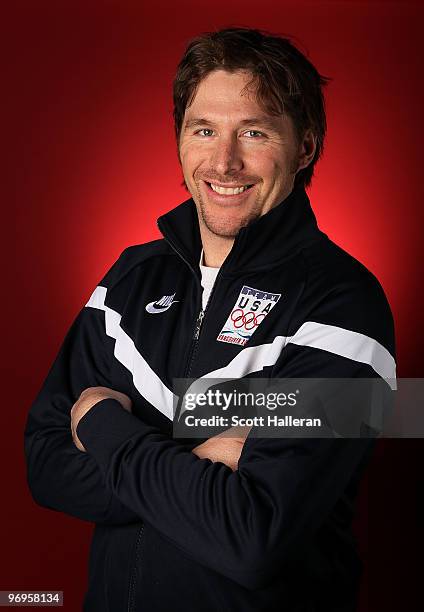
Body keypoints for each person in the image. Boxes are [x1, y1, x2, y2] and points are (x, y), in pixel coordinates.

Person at [24, 27, 396, 611]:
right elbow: (43, 464)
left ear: (305, 147)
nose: (224, 161)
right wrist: (201, 457)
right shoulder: (128, 280)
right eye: (203, 130)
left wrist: (101, 426)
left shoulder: (345, 304)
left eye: (254, 131)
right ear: (179, 139)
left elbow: (251, 537)